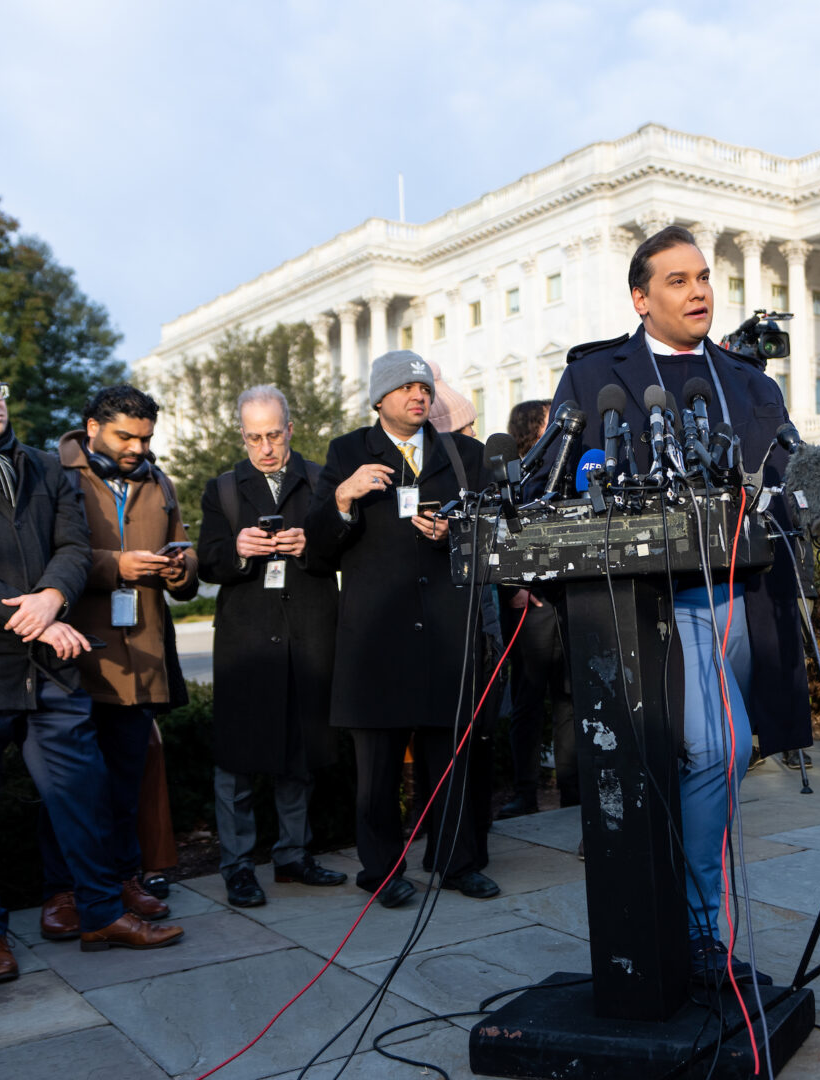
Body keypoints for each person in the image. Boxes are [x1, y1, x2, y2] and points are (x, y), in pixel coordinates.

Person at [549, 224, 820, 980]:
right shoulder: (593, 379)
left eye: (703, 276)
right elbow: (566, 486)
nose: (699, 289)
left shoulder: (749, 383)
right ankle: (702, 930)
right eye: (677, 280)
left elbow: (801, 472)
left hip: (747, 601)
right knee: (721, 747)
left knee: (711, 759)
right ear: (641, 298)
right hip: (659, 608)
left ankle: (681, 906)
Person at [0, 348, 183, 984]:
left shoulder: (48, 470)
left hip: (50, 667)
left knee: (81, 796)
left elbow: (74, 548)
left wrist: (52, 598)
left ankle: (101, 913)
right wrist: (37, 617)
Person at [305, 351, 492, 907]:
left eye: (424, 386)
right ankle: (382, 872)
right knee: (378, 774)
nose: (419, 394)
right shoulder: (346, 453)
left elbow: (496, 534)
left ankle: (459, 863)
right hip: (376, 642)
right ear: (379, 398)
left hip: (445, 634)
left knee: (452, 761)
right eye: (406, 386)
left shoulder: (465, 455)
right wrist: (343, 497)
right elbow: (317, 552)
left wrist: (455, 530)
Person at [36, 386, 197, 940]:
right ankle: (63, 891)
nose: (136, 447)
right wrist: (117, 566)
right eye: (126, 436)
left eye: (145, 437)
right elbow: (44, 556)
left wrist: (182, 568)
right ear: (91, 428)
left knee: (127, 780)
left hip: (143, 655)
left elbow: (183, 548)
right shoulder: (53, 474)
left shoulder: (158, 480)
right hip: (76, 656)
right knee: (71, 788)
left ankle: (124, 878)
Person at [199, 385, 347, 908]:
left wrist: (312, 545)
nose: (264, 447)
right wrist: (237, 550)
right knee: (235, 760)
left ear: (290, 428)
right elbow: (207, 560)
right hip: (246, 639)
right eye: (253, 437)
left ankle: (293, 856)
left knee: (298, 752)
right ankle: (238, 865)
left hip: (308, 630)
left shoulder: (320, 480)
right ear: (242, 435)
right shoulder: (223, 488)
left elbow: (347, 546)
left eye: (273, 435)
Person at [496, 400, 576, 820]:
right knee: (528, 698)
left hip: (563, 599)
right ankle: (525, 791)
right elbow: (501, 531)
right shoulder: (514, 474)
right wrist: (515, 587)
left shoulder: (563, 469)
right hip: (529, 606)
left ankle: (571, 790)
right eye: (550, 417)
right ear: (533, 426)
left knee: (568, 698)